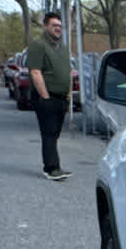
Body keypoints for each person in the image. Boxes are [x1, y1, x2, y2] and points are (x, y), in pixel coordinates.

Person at [26, 11, 72, 181]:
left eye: (60, 26)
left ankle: (55, 166)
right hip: (46, 96)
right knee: (49, 133)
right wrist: (45, 97)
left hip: (61, 97)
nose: (58, 28)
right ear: (45, 26)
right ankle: (51, 168)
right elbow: (35, 72)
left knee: (55, 133)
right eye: (54, 25)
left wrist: (68, 94)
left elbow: (68, 72)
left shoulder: (62, 48)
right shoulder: (38, 45)